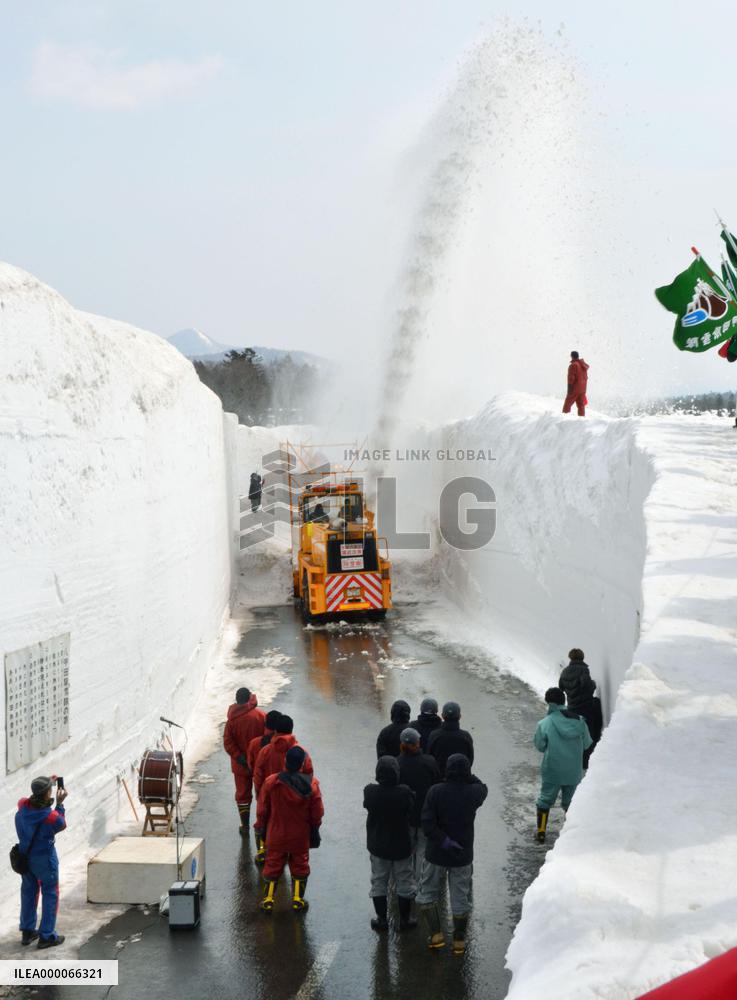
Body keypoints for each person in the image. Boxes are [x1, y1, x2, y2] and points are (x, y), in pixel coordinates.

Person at [416, 754, 487, 954]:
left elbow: (428, 824)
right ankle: (459, 940)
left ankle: (436, 935)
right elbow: (482, 785)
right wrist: (469, 776)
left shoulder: (435, 791)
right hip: (463, 855)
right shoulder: (475, 792)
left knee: (428, 893)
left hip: (436, 853)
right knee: (460, 897)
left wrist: (445, 842)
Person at [256, 746, 324, 913]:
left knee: (272, 864)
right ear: (302, 764)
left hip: (276, 833)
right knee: (300, 865)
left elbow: (262, 809)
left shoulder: (272, 782)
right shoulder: (312, 785)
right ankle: (297, 900)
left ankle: (268, 899)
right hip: (300, 836)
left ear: (285, 761)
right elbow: (317, 813)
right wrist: (314, 828)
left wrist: (262, 827)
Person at [363, 756, 417, 932]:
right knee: (404, 881)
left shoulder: (370, 792)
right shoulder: (404, 792)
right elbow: (411, 808)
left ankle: (381, 919)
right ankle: (405, 919)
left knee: (379, 881)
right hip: (401, 845)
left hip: (378, 844)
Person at [534, 687, 592, 844]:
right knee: (570, 802)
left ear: (549, 703)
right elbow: (587, 743)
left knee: (545, 799)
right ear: (563, 701)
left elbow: (539, 745)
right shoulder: (579, 721)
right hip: (573, 770)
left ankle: (541, 832)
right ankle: (570, 834)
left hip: (552, 769)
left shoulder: (544, 723)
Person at [15, 776, 68, 949]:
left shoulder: (22, 808)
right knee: (50, 893)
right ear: (48, 793)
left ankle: (28, 931)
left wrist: (45, 782)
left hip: (25, 857)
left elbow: (27, 800)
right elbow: (61, 823)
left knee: (29, 892)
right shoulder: (50, 816)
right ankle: (46, 935)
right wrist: (59, 804)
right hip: (44, 859)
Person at [253, 715, 313, 864]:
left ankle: (263, 851)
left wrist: (259, 794)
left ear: (275, 731)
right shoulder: (301, 752)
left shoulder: (265, 751)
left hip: (271, 795)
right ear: (291, 729)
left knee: (267, 822)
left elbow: (258, 774)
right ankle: (289, 852)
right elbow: (309, 776)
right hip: (295, 798)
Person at [397, 728, 441, 877]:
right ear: (418, 742)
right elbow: (437, 784)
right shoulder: (429, 761)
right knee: (423, 848)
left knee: (408, 847)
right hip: (425, 814)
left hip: (406, 815)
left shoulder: (397, 763)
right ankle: (420, 879)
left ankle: (406, 879)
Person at [223, 688, 266, 833]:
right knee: (263, 793)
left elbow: (228, 742)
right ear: (249, 698)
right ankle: (262, 824)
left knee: (242, 795)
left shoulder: (231, 721)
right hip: (259, 763)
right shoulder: (261, 716)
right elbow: (268, 739)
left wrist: (240, 758)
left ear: (237, 700)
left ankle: (245, 825)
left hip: (240, 765)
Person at [559, 648, 603, 769]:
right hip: (585, 708)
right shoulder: (584, 670)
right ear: (582, 658)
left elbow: (561, 687)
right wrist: (593, 684)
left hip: (572, 708)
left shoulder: (565, 672)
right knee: (591, 734)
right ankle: (587, 763)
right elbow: (587, 686)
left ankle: (576, 761)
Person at [427, 702, 474, 773]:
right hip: (461, 778)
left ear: (442, 716)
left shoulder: (434, 735)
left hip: (439, 778)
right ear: (460, 716)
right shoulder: (466, 736)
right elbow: (470, 759)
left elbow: (429, 757)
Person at [562, 350, 590, 417]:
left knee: (567, 403)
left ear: (571, 356)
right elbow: (585, 377)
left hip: (575, 388)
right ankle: (582, 419)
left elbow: (571, 378)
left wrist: (569, 389)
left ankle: (564, 418)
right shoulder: (583, 365)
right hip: (583, 389)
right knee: (581, 405)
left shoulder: (573, 365)